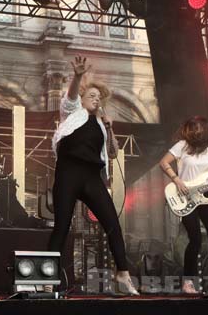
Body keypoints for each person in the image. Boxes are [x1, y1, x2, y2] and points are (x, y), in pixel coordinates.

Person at [49, 56, 138, 295]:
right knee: (62, 226)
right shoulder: (72, 113)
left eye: (99, 98)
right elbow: (70, 96)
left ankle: (123, 273)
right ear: (83, 99)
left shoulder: (100, 124)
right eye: (92, 96)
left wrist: (109, 127)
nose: (96, 99)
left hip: (91, 176)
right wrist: (78, 77)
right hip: (68, 172)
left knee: (113, 224)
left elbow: (112, 152)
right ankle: (48, 275)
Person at [159, 116, 208, 294]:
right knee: (194, 238)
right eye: (196, 127)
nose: (199, 130)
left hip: (205, 195)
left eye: (202, 127)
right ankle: (189, 282)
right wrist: (177, 180)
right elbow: (163, 163)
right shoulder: (182, 146)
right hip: (185, 195)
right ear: (189, 130)